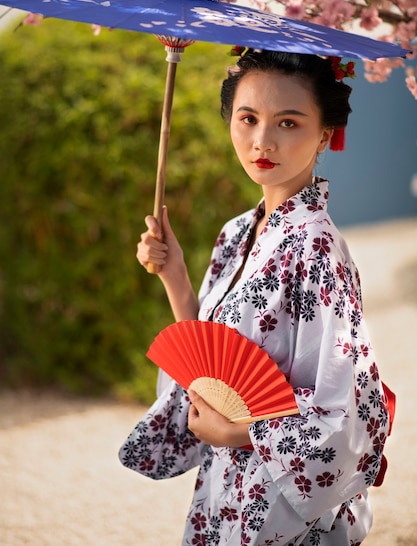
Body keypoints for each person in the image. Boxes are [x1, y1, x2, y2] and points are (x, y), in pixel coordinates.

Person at [119, 50, 392, 545]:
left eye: (288, 122)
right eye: (248, 118)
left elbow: (347, 407)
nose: (262, 141)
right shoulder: (238, 231)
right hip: (227, 484)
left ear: (324, 134)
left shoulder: (318, 246)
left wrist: (240, 434)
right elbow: (210, 364)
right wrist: (175, 276)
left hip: (280, 496)